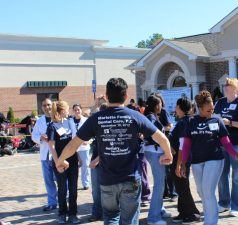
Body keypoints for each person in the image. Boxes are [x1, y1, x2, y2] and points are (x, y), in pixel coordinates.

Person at [55, 78, 173, 225]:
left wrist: (60, 160)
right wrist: (168, 155)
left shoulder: (97, 118)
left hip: (107, 180)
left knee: (110, 218)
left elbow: (73, 144)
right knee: (129, 220)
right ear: (125, 96)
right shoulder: (135, 116)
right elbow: (162, 138)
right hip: (130, 179)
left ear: (107, 95)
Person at [180, 91, 238, 225]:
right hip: (197, 161)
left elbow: (226, 142)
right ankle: (210, 218)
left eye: (213, 109)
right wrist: (182, 163)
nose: (212, 111)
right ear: (200, 107)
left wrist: (237, 156)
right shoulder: (191, 122)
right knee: (201, 192)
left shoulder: (217, 120)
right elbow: (186, 144)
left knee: (208, 191)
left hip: (215, 159)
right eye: (208, 109)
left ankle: (210, 222)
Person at [214, 78, 238, 216]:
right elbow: (214, 118)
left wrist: (231, 122)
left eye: (228, 85)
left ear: (235, 88)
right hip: (221, 143)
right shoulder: (221, 102)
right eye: (225, 85)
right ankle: (223, 203)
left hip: (237, 143)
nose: (225, 86)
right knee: (222, 175)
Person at [47, 101, 79, 224]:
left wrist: (79, 158)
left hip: (73, 161)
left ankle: (73, 214)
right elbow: (52, 148)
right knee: (62, 189)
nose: (68, 111)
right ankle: (62, 214)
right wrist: (57, 163)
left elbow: (74, 141)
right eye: (67, 109)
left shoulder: (69, 122)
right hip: (60, 162)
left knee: (73, 189)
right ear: (61, 111)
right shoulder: (52, 126)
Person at [169, 97, 200, 224]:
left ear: (180, 107)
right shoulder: (184, 121)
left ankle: (193, 214)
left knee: (183, 187)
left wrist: (179, 165)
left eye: (176, 106)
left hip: (180, 159)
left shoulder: (183, 123)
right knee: (181, 186)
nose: (175, 108)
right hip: (180, 158)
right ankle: (183, 212)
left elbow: (182, 145)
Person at [143, 95, 172, 225]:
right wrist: (166, 151)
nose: (162, 106)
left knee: (160, 183)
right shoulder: (151, 118)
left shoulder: (152, 117)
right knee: (159, 185)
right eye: (160, 104)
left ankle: (159, 209)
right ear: (156, 105)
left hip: (154, 152)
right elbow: (155, 137)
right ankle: (153, 218)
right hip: (155, 153)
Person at [31, 98, 58, 212]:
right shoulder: (40, 121)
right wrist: (41, 138)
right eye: (44, 105)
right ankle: (52, 202)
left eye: (49, 105)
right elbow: (33, 135)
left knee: (62, 180)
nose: (47, 107)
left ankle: (63, 200)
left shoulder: (59, 118)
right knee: (48, 181)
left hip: (58, 154)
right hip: (45, 156)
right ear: (42, 107)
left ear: (53, 105)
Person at [153, 92, 178, 202]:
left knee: (168, 170)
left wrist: (160, 130)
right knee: (160, 170)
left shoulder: (163, 112)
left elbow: (170, 126)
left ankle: (173, 193)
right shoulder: (151, 114)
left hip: (165, 142)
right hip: (155, 145)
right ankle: (165, 192)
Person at [88, 103, 108, 222]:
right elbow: (88, 113)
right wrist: (96, 103)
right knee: (96, 190)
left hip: (104, 161)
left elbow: (108, 146)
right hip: (96, 161)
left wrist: (97, 160)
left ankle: (105, 213)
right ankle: (96, 212)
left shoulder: (110, 125)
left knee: (106, 190)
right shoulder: (97, 122)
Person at [71, 103, 91, 190]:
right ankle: (73, 184)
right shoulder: (70, 121)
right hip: (73, 147)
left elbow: (92, 133)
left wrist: (89, 141)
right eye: (75, 110)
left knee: (85, 166)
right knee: (74, 167)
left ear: (81, 110)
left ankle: (85, 183)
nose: (77, 111)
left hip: (84, 147)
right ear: (73, 111)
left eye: (78, 109)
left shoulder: (86, 120)